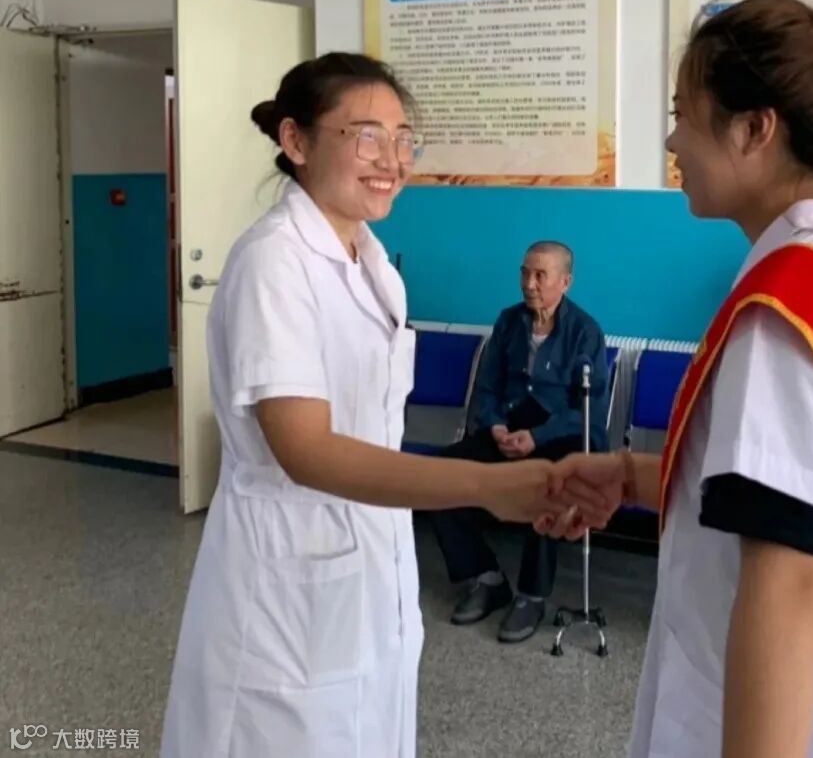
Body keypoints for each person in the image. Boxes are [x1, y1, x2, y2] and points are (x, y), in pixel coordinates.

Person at [541, 0, 813, 758]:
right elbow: (810, 489)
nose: (673, 142)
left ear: (755, 128)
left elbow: (790, 588)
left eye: (682, 115)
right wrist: (633, 476)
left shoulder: (784, 317)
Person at [159, 54, 600, 758]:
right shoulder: (273, 263)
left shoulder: (374, 265)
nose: (391, 160)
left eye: (403, 139)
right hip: (290, 571)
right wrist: (488, 486)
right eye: (366, 136)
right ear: (296, 141)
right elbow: (306, 451)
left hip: (372, 558)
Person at [429, 241, 609, 644]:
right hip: (510, 427)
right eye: (525, 273)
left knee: (550, 485)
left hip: (559, 434)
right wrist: (494, 425)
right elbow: (488, 387)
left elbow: (589, 411)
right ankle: (485, 578)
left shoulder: (585, 332)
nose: (529, 283)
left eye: (540, 275)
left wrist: (538, 436)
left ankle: (531, 595)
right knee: (442, 474)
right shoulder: (509, 322)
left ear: (565, 282)